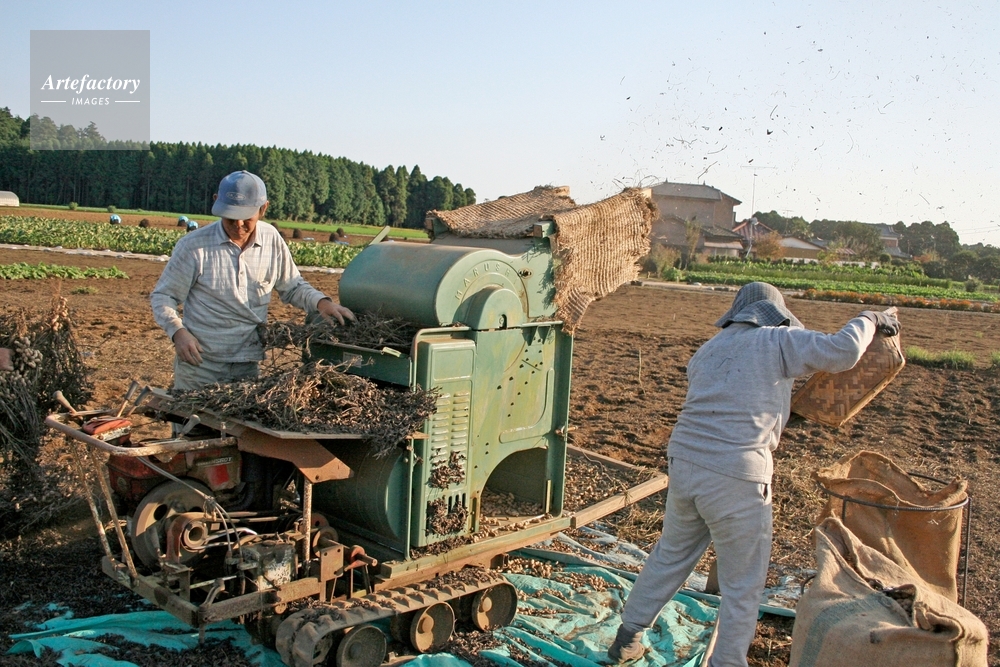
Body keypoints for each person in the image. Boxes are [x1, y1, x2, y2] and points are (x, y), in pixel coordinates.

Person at [607, 282, 899, 667]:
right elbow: (843, 352)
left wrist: (777, 414)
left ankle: (628, 636)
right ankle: (727, 661)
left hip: (686, 462)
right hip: (737, 474)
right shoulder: (778, 339)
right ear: (775, 314)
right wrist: (870, 318)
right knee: (743, 584)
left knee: (671, 554)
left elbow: (735, 398)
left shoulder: (710, 349)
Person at [151, 170, 355, 392]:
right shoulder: (193, 246)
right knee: (194, 414)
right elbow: (164, 296)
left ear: (263, 208)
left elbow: (293, 286)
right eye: (230, 217)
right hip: (200, 364)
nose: (238, 224)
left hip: (247, 363)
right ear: (216, 202)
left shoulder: (271, 240)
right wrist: (178, 332)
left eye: (247, 218)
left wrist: (322, 303)